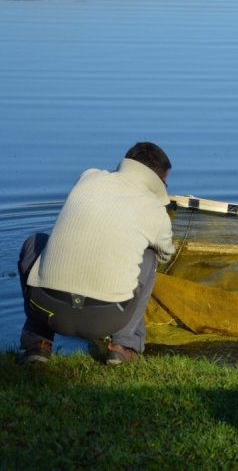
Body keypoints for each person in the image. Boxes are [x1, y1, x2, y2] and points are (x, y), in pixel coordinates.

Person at [17, 142, 175, 365]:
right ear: (159, 181)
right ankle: (124, 346)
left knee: (34, 241)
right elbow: (166, 254)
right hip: (106, 319)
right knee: (150, 257)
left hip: (48, 310)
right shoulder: (154, 207)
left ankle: (38, 345)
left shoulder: (88, 177)